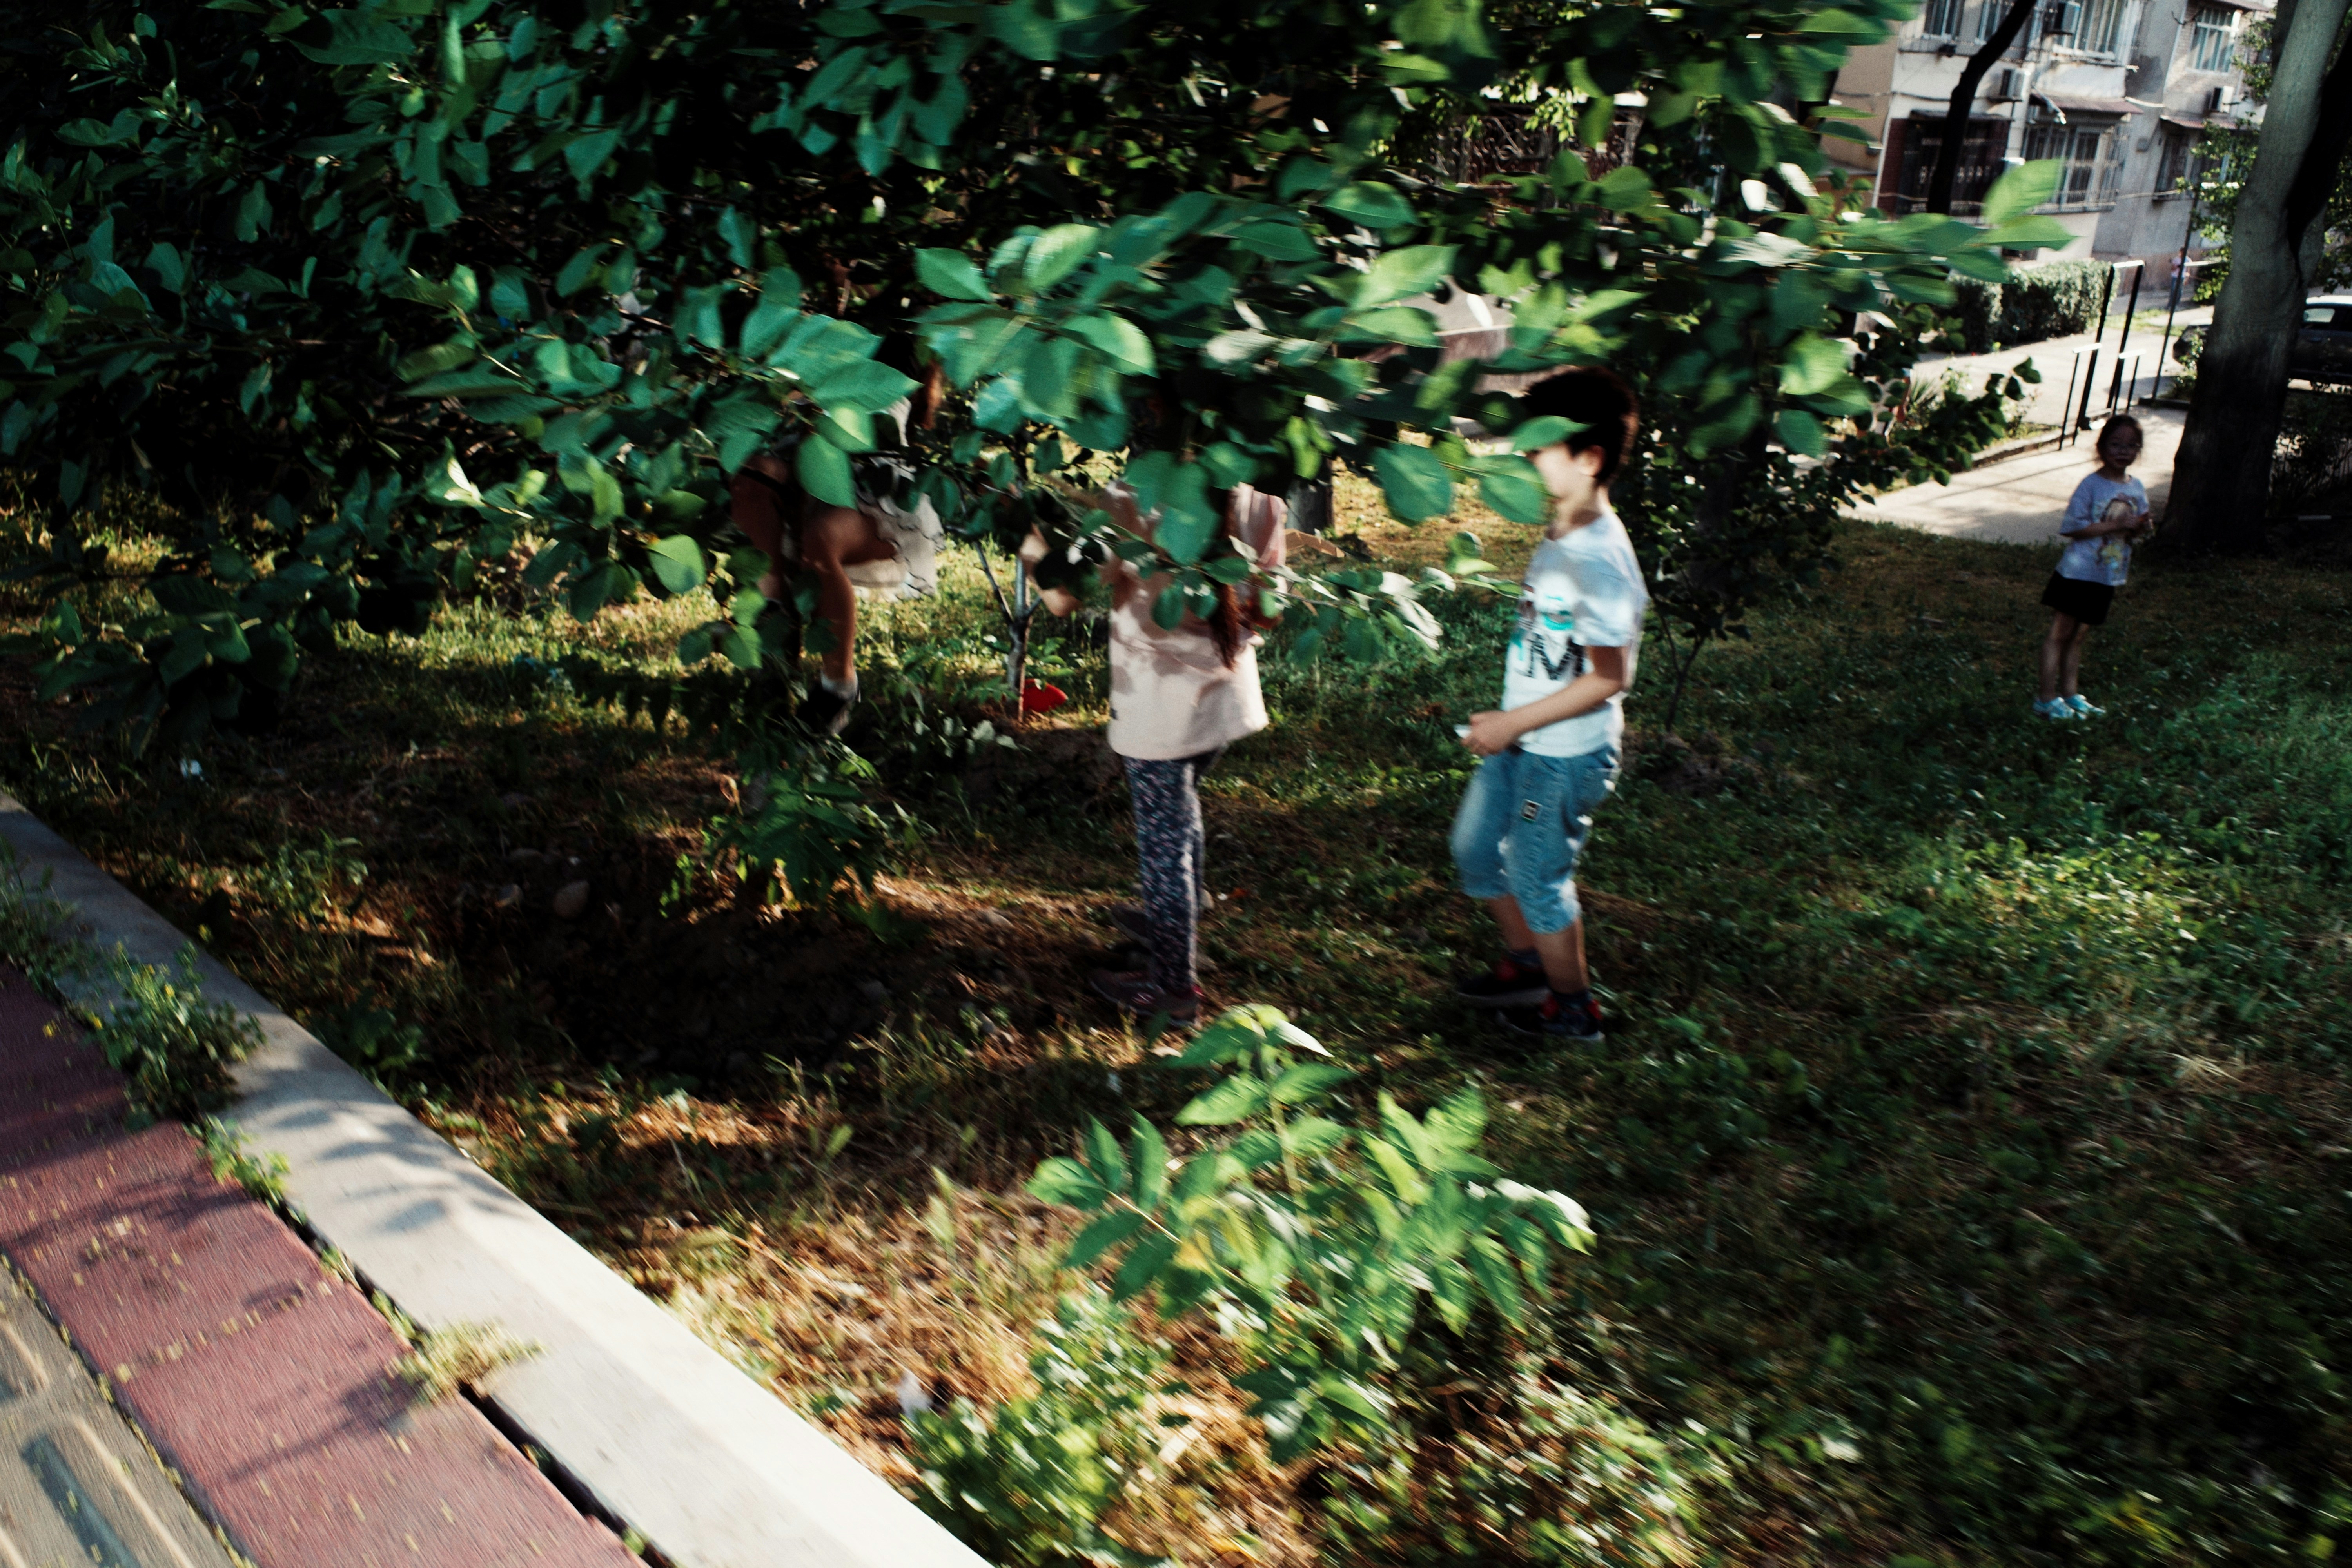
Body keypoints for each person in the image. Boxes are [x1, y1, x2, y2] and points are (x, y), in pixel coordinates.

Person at [1036, 482, 1288, 1025]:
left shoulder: (1136, 504)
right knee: (1182, 815)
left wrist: (1025, 533)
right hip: (1223, 704)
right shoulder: (1262, 502)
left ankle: (1174, 988)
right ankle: (1180, 917)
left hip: (1159, 711)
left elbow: (1061, 598)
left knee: (1162, 847)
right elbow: (1268, 611)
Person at [1451, 368, 1648, 1043]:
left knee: (1537, 876)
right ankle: (1530, 964)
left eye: (1541, 447)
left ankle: (1574, 1010)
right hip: (1525, 740)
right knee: (1476, 850)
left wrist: (1511, 724)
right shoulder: (1565, 530)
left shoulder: (1599, 558)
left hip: (1562, 756)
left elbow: (1609, 676)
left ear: (1589, 459)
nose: (1528, 458)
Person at [727, 403, 944, 735]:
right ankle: (770, 611)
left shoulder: (894, 360)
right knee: (750, 475)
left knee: (821, 541)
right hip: (803, 462)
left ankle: (839, 685)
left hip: (873, 487)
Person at [2036, 414, 2151, 721]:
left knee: (2080, 636)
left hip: (2107, 573)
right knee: (2060, 633)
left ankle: (2071, 695)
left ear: (2138, 451)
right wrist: (2113, 524)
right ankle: (2046, 699)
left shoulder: (2137, 487)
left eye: (2130, 446)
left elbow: (2135, 527)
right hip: (2077, 572)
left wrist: (2141, 527)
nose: (2122, 451)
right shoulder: (2091, 485)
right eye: (2115, 444)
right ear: (2101, 448)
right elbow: (2072, 528)